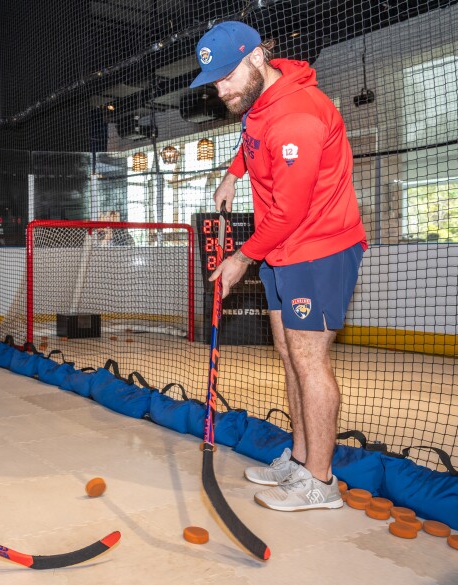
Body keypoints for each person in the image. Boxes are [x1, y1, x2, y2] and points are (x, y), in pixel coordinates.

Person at [190, 21, 367, 512]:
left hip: (319, 248)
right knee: (289, 354)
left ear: (256, 57)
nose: (221, 89)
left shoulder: (299, 117)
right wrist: (231, 175)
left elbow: (290, 210)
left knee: (310, 360)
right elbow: (251, 139)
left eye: (226, 77)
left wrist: (240, 259)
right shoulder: (259, 103)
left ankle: (321, 482)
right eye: (214, 82)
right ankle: (301, 456)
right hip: (281, 248)